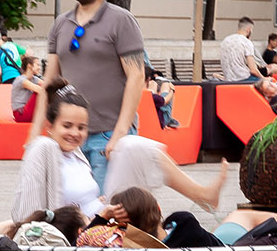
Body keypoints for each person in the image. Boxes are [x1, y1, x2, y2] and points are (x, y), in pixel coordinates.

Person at [13, 80, 225, 221]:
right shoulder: (44, 148)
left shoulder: (76, 155)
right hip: (81, 234)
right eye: (67, 126)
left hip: (103, 218)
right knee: (183, 223)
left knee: (129, 146)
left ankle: (202, 196)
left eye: (81, 128)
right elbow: (28, 217)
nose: (75, 133)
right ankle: (201, 199)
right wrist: (98, 218)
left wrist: (99, 204)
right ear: (50, 126)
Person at [37, 0, 146, 190]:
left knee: (106, 214)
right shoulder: (60, 24)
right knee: (73, 210)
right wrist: (37, 135)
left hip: (107, 136)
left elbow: (137, 77)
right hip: (68, 138)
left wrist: (120, 133)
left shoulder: (122, 20)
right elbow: (50, 82)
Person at [220, 17, 267, 83]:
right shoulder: (246, 42)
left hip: (228, 79)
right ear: (248, 30)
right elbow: (253, 70)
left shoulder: (225, 40)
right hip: (243, 79)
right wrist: (264, 78)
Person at [11, 53, 45, 123]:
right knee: (42, 88)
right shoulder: (21, 80)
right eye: (37, 65)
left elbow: (48, 84)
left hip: (28, 111)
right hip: (20, 114)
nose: (39, 68)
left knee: (46, 87)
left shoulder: (34, 79)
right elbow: (40, 90)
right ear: (29, 66)